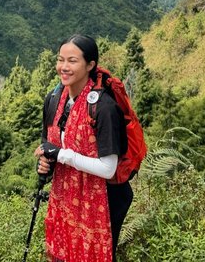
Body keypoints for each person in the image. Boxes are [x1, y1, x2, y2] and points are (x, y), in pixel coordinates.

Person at [34, 34, 133, 262]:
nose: (64, 67)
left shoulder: (103, 107)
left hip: (104, 200)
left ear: (90, 65)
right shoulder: (54, 99)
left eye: (72, 61)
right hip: (66, 195)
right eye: (61, 60)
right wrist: (46, 163)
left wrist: (61, 155)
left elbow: (108, 168)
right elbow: (51, 144)